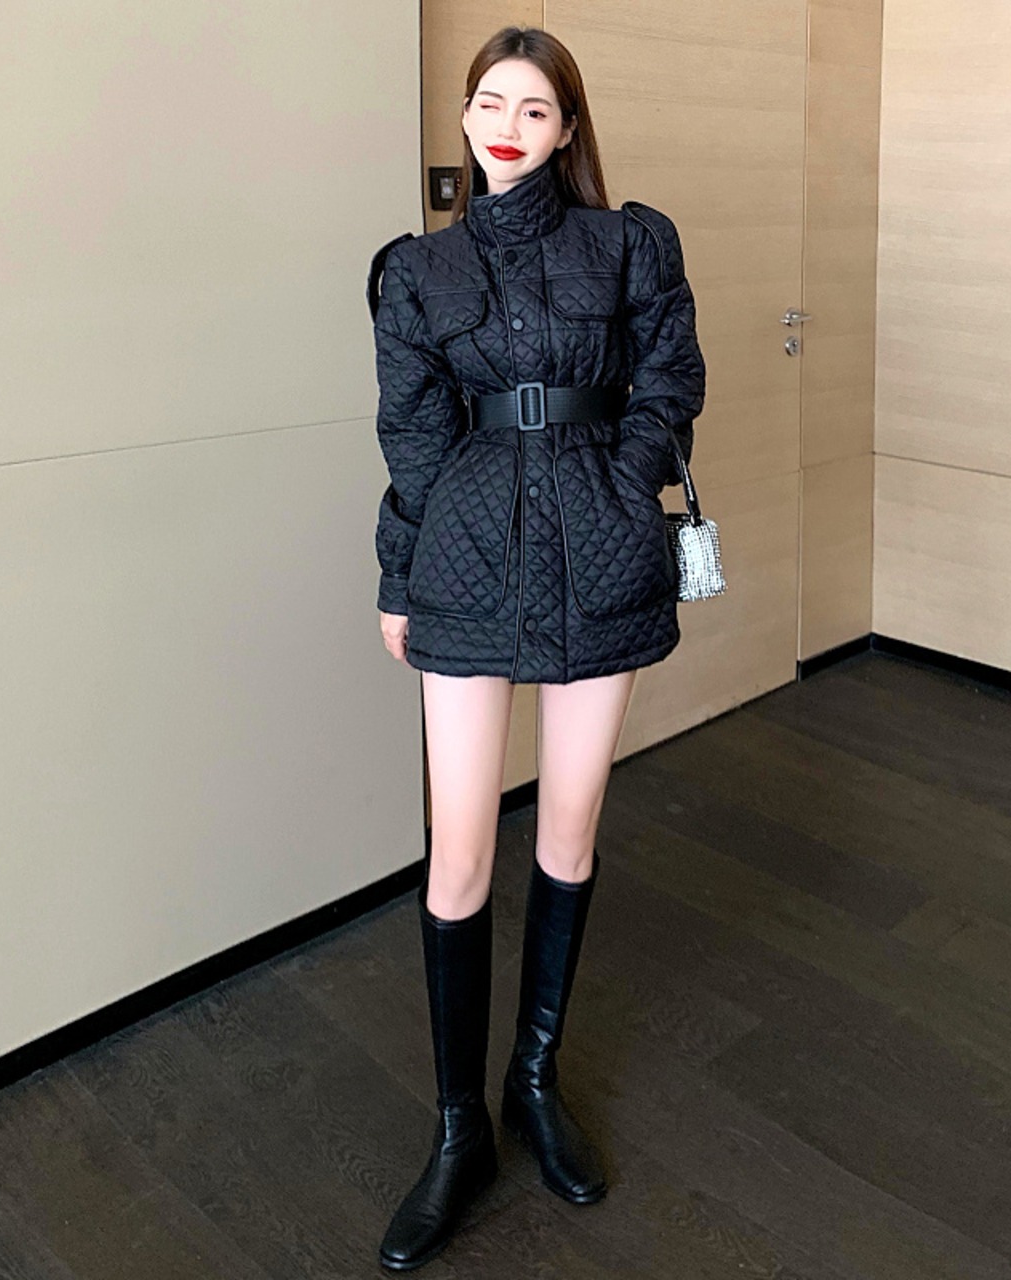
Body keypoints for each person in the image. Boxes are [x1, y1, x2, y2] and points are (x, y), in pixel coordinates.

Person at [367, 23, 706, 1272]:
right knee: (459, 852)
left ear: (566, 130)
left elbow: (669, 380)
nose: (506, 125)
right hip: (461, 555)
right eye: (489, 102)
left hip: (600, 549)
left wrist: (621, 478)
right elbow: (411, 433)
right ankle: (459, 1129)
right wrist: (399, 571)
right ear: (465, 116)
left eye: (534, 107)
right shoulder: (418, 270)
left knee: (565, 833)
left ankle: (533, 1083)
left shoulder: (628, 244)